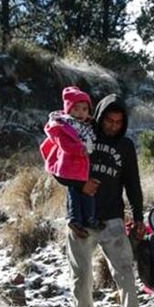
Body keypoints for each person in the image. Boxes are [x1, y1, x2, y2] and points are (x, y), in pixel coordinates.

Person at [67, 94, 146, 307]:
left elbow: (133, 183)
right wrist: (80, 187)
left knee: (125, 275)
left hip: (112, 219)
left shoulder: (125, 146)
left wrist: (138, 216)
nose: (112, 125)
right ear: (100, 117)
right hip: (80, 220)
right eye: (109, 120)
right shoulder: (80, 134)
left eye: (118, 122)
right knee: (82, 279)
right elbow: (59, 168)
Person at [40, 86, 100, 237]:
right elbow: (64, 145)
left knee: (87, 191)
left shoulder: (86, 126)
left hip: (81, 167)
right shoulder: (62, 125)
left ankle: (89, 217)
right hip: (68, 166)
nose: (81, 113)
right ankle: (75, 218)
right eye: (76, 109)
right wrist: (80, 149)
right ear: (68, 110)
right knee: (75, 191)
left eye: (85, 109)